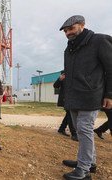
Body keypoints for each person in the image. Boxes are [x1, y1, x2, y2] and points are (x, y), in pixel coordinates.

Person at [59, 15, 112, 179]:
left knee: (84, 130)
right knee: (82, 132)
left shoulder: (99, 41)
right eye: (66, 31)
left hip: (90, 96)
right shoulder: (70, 48)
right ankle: (89, 162)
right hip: (73, 97)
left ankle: (83, 170)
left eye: (71, 28)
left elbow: (111, 68)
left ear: (82, 25)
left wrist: (109, 94)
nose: (68, 33)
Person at [53, 70, 77, 141]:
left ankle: (61, 129)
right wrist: (60, 79)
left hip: (72, 99)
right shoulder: (64, 74)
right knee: (70, 115)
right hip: (65, 99)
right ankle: (74, 134)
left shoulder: (75, 74)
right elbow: (55, 86)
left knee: (68, 115)